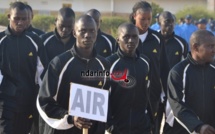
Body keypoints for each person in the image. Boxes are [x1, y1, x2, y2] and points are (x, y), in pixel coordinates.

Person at [37, 15, 110, 134]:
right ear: (74, 33)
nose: (87, 35)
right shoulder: (59, 63)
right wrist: (70, 118)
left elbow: (106, 102)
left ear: (97, 33)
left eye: (92, 31)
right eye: (83, 30)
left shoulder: (104, 65)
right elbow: (44, 102)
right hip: (62, 130)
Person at [0, 1, 47, 134]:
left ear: (29, 19)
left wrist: (44, 100)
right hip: (4, 103)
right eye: (16, 18)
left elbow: (42, 73)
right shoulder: (1, 41)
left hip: (27, 102)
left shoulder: (35, 41)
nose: (20, 22)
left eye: (24, 19)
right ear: (9, 17)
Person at [164, 30, 215, 134]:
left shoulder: (213, 69)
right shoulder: (178, 72)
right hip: (182, 130)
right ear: (196, 47)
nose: (214, 50)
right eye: (210, 46)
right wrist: (198, 126)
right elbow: (177, 105)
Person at [105, 22, 151, 134]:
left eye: (134, 37)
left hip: (141, 127)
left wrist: (149, 121)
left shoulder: (145, 63)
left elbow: (147, 93)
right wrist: (110, 126)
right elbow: (103, 98)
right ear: (118, 39)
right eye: (126, 37)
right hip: (116, 128)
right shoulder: (109, 63)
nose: (131, 40)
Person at [130, 1, 168, 129]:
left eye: (149, 19)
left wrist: (165, 93)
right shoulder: (125, 37)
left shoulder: (157, 38)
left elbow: (164, 68)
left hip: (153, 94)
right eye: (142, 19)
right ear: (134, 16)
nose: (146, 22)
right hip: (130, 92)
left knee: (153, 127)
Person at [158, 11, 188, 134]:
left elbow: (186, 67)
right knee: (154, 121)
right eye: (166, 22)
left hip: (173, 90)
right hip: (155, 89)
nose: (170, 25)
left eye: (172, 22)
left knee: (171, 123)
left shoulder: (181, 43)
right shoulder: (154, 40)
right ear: (159, 23)